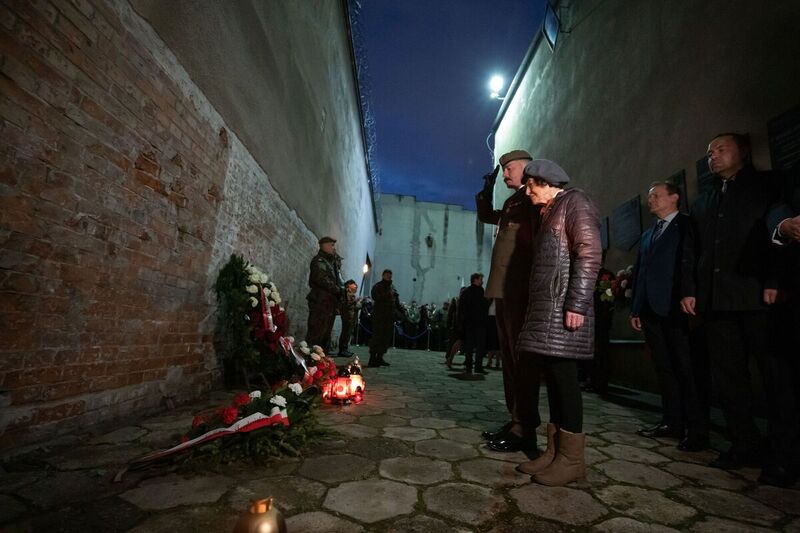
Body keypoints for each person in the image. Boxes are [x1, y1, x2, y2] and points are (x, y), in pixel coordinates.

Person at [680, 132, 790, 483]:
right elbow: (692, 250)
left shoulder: (768, 186)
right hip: (716, 303)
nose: (713, 156)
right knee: (729, 380)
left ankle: (784, 454)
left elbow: (780, 231)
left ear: (743, 151)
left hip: (757, 296)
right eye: (709, 152)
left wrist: (775, 280)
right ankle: (744, 443)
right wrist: (691, 290)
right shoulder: (704, 201)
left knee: (776, 379)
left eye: (721, 149)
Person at [515, 159, 601, 486]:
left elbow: (589, 252)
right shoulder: (550, 211)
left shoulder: (575, 202)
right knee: (552, 378)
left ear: (546, 181)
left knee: (564, 379)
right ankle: (554, 453)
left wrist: (577, 302)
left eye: (531, 185)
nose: (527, 191)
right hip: (548, 310)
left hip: (564, 307)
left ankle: (572, 460)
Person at [630, 182, 708, 451]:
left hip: (677, 308)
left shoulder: (687, 225)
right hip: (651, 310)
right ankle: (671, 422)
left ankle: (696, 428)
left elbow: (691, 262)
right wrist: (636, 308)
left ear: (675, 197)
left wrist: (690, 293)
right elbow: (641, 272)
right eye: (649, 196)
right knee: (664, 368)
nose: (650, 200)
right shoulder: (648, 234)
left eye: (656, 196)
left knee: (687, 368)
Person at [477, 149, 542, 453]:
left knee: (520, 359)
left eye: (509, 169)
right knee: (508, 358)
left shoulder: (532, 197)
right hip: (504, 288)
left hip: (520, 288)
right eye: (503, 170)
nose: (505, 174)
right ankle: (515, 418)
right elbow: (488, 217)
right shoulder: (512, 200)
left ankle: (524, 426)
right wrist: (485, 191)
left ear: (527, 168)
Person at [306, 236, 343, 352]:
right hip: (320, 302)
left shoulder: (330, 262)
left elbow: (336, 279)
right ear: (324, 245)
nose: (333, 248)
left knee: (325, 335)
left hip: (329, 303)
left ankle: (322, 363)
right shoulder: (319, 261)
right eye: (331, 245)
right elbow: (321, 279)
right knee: (316, 333)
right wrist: (338, 289)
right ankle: (310, 361)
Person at [368, 269, 404, 367]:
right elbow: (375, 297)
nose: (389, 277)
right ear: (383, 275)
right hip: (379, 316)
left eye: (390, 275)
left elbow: (396, 301)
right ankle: (372, 359)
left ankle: (380, 357)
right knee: (377, 337)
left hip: (389, 316)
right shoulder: (378, 286)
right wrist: (387, 294)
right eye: (387, 275)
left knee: (386, 338)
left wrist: (401, 311)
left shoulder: (392, 287)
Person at [457, 273, 490, 379]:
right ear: (475, 280)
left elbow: (461, 308)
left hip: (469, 323)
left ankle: (468, 366)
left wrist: (462, 321)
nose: (482, 281)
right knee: (480, 345)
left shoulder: (466, 292)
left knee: (469, 346)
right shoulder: (480, 291)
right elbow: (485, 306)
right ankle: (478, 366)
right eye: (481, 279)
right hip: (479, 322)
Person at [337, 279, 358, 357]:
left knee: (348, 333)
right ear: (349, 285)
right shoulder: (347, 293)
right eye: (353, 284)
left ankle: (345, 349)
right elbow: (348, 304)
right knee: (345, 333)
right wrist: (358, 302)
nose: (355, 285)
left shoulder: (351, 293)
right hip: (347, 315)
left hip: (351, 315)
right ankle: (342, 350)